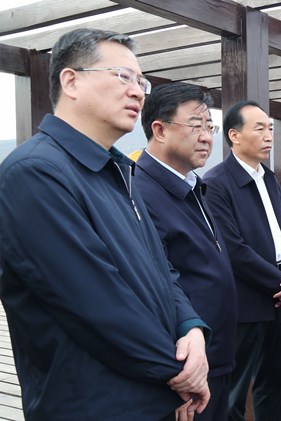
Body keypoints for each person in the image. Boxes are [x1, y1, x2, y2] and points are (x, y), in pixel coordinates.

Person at [0, 28, 211, 420]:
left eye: (141, 81)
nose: (137, 92)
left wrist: (191, 329)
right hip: (95, 402)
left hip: (154, 392)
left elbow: (161, 269)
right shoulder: (35, 172)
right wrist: (180, 371)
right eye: (123, 76)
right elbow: (93, 303)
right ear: (71, 81)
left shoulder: (118, 170)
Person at [133, 82, 238, 420]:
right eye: (195, 126)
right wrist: (173, 374)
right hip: (186, 367)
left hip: (215, 352)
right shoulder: (140, 192)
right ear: (159, 130)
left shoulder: (192, 184)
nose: (206, 137)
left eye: (210, 127)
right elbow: (153, 287)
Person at [204, 100, 281, 421]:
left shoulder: (269, 178)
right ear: (234, 135)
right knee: (233, 388)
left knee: (275, 379)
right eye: (259, 128)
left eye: (271, 128)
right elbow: (234, 249)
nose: (268, 136)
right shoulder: (217, 182)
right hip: (247, 300)